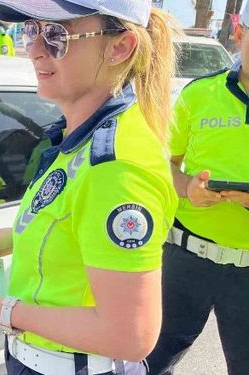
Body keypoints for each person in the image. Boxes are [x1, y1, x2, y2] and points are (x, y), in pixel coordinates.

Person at [0, 1, 180, 374]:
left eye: (57, 35)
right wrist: (19, 236)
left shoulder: (116, 167)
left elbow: (130, 336)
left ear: (120, 47)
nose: (35, 48)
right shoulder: (82, 131)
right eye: (32, 30)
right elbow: (79, 220)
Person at [145, 3, 249, 375]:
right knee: (149, 362)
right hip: (186, 259)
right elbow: (163, 163)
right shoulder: (197, 94)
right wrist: (188, 186)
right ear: (239, 34)